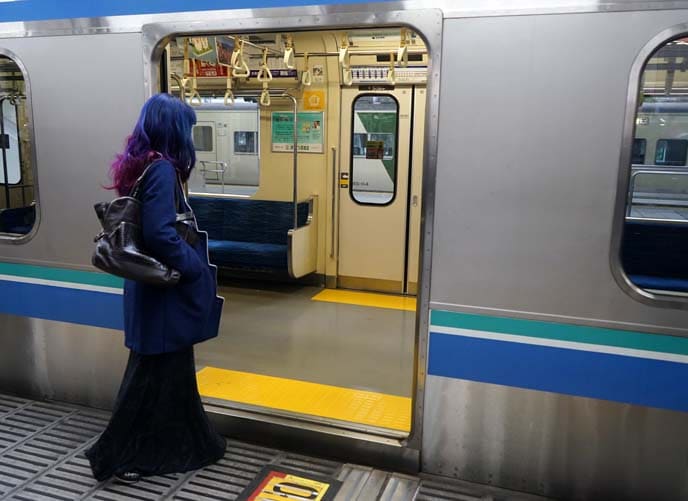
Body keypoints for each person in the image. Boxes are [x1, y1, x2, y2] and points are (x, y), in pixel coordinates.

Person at [86, 93, 226, 484]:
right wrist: (195, 266)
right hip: (165, 292)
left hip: (150, 290)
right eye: (188, 129)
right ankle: (124, 456)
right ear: (174, 130)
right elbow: (161, 234)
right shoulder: (163, 170)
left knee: (170, 374)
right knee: (153, 378)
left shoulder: (139, 167)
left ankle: (192, 443)